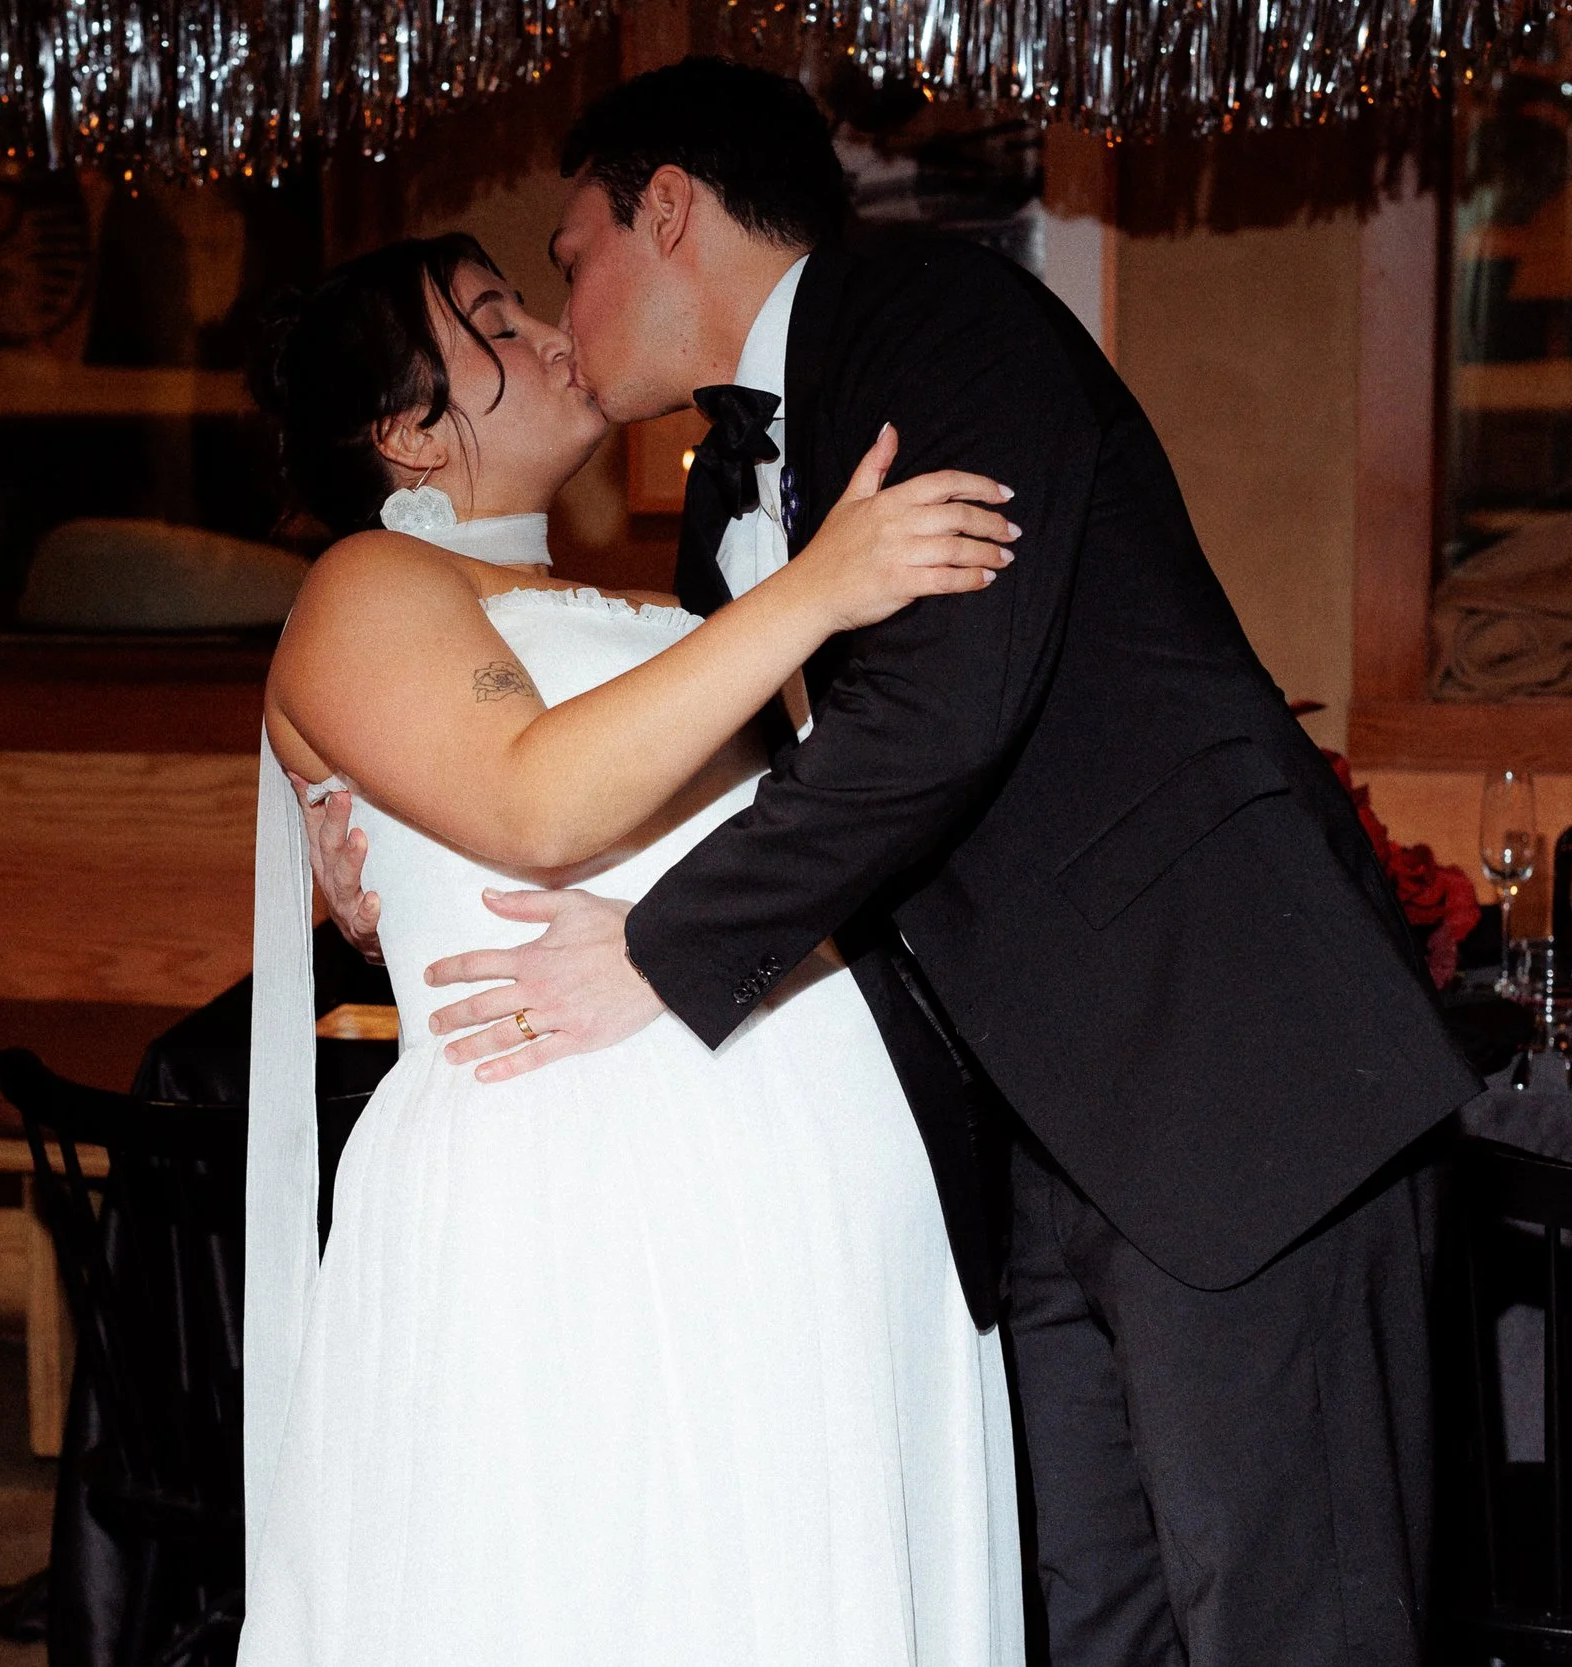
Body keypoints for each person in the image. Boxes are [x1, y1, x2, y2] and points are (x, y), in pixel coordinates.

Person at [310, 60, 1485, 1667]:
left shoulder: (937, 318)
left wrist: (658, 946)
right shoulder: (720, 494)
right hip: (1028, 1129)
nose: (562, 310)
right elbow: (738, 781)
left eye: (568, 260)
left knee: (1294, 1623)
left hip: (1226, 1076)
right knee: (1090, 1618)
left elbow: (948, 705)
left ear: (667, 213)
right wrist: (356, 797)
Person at [239, 231, 1025, 1663]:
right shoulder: (367, 587)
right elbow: (536, 799)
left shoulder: (659, 604)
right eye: (492, 319)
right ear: (408, 433)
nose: (548, 333)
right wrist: (823, 587)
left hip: (804, 1166)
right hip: (572, 1196)